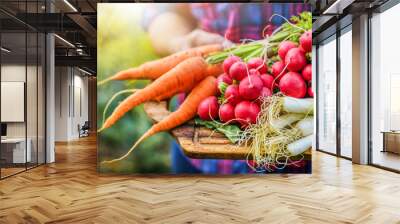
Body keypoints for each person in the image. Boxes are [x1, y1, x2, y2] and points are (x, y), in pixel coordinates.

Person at [142, 3, 311, 174]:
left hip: (296, 155)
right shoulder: (231, 88)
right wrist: (180, 43)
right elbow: (162, 12)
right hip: (196, 143)